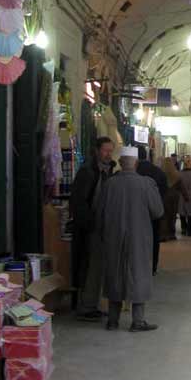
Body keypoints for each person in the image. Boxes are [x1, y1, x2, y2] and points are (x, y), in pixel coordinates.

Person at [98, 146, 164, 332]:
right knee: (138, 274)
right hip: (139, 236)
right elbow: (158, 211)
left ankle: (112, 320)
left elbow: (99, 213)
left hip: (113, 236)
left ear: (120, 163)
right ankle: (138, 321)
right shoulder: (146, 184)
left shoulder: (109, 184)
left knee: (115, 273)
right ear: (136, 163)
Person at [69, 136, 115, 321]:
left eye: (111, 151)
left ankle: (91, 305)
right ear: (97, 150)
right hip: (91, 228)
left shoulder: (107, 170)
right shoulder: (88, 172)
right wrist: (90, 224)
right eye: (105, 150)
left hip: (100, 226)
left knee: (96, 267)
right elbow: (79, 202)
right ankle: (87, 307)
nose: (108, 154)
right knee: (90, 267)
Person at [137, 145, 168, 274]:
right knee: (154, 238)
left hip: (137, 212)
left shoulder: (134, 171)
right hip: (154, 211)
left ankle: (139, 265)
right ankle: (152, 266)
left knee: (137, 239)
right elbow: (164, 190)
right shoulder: (158, 171)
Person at [159, 157, 188, 242]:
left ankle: (163, 235)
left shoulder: (161, 173)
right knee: (172, 215)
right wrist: (186, 196)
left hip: (163, 196)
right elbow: (182, 187)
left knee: (163, 216)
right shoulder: (176, 174)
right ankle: (172, 234)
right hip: (174, 197)